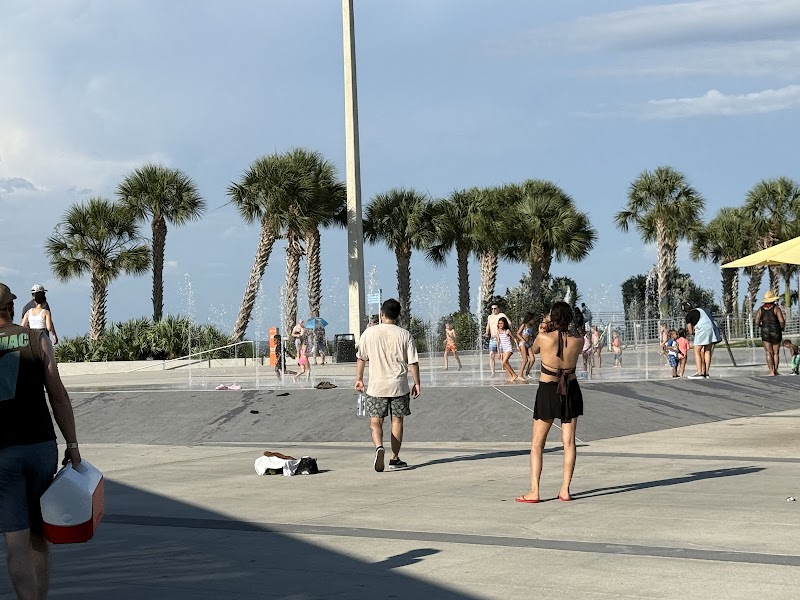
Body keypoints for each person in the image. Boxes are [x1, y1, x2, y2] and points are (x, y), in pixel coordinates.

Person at [0, 282, 81, 600]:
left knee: (15, 541)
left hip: (2, 452)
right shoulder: (37, 338)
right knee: (38, 533)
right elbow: (57, 394)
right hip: (39, 446)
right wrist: (72, 445)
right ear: (9, 309)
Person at [516, 301, 584, 504]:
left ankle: (534, 491)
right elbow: (567, 347)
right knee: (569, 443)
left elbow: (533, 350)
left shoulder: (543, 338)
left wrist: (543, 328)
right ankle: (565, 490)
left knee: (537, 444)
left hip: (547, 390)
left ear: (552, 318)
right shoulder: (578, 341)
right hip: (570, 389)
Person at [355, 298, 420, 472]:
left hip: (377, 386)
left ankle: (379, 447)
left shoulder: (369, 333)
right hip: (399, 385)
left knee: (375, 422)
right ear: (398, 316)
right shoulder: (405, 334)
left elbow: (361, 357)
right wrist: (417, 382)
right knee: (397, 421)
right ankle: (394, 457)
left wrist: (359, 378)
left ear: (382, 314)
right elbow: (413, 362)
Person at [683, 302, 722, 379]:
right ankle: (706, 373)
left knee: (696, 350)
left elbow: (690, 331)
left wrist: (693, 332)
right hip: (711, 328)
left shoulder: (688, 315)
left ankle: (699, 372)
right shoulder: (701, 310)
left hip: (702, 329)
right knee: (707, 350)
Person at [754, 291, 785, 376]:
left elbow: (756, 322)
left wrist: (762, 326)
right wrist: (782, 328)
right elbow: (781, 320)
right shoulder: (776, 308)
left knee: (768, 352)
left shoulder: (760, 309)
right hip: (776, 331)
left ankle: (770, 371)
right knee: (776, 353)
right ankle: (775, 371)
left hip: (765, 331)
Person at [484, 304, 511, 376]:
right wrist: (487, 332)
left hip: (501, 337)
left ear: (498, 309)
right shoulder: (490, 317)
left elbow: (509, 323)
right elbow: (488, 325)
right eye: (492, 309)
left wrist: (506, 331)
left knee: (502, 356)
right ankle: (493, 372)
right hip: (493, 338)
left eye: (495, 308)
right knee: (491, 355)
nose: (493, 310)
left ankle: (507, 371)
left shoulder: (501, 315)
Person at [496, 316, 520, 383]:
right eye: (499, 323)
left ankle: (514, 375)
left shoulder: (507, 331)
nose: (500, 325)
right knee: (504, 364)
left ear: (505, 324)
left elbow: (514, 338)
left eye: (501, 323)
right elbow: (498, 342)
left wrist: (517, 346)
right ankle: (510, 376)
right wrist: (498, 352)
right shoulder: (498, 331)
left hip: (509, 349)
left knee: (504, 362)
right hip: (503, 350)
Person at [516, 312, 536, 380]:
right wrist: (522, 340)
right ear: (529, 319)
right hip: (523, 344)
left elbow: (533, 335)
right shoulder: (524, 325)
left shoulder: (531, 327)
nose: (534, 320)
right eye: (533, 319)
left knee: (532, 359)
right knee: (525, 360)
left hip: (528, 344)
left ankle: (527, 372)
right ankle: (520, 375)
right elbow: (518, 333)